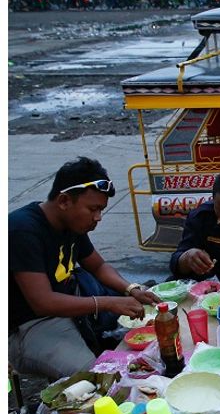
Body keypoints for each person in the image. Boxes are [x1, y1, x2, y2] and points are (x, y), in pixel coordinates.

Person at [9, 157, 159, 380]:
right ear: (64, 201)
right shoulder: (22, 230)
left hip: (71, 305)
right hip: (29, 325)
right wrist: (108, 303)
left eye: (101, 210)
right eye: (93, 209)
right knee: (98, 379)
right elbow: (42, 302)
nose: (98, 218)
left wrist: (132, 289)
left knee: (143, 337)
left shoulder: (72, 223)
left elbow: (98, 265)